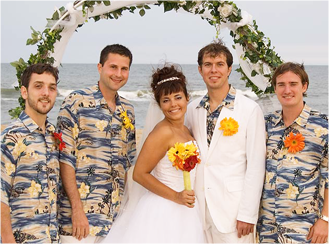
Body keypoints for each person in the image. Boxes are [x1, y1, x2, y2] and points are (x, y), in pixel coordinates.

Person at [101, 64, 205, 244]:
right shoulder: (162, 132)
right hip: (164, 210)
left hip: (186, 211)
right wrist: (176, 196)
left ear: (187, 98)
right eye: (166, 100)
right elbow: (139, 174)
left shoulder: (186, 129)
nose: (173, 104)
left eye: (178, 97)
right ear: (159, 104)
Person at [185, 40, 266, 244]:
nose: (214, 70)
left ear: (229, 69)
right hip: (198, 211)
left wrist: (247, 214)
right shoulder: (192, 109)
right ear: (200, 69)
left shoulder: (249, 109)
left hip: (233, 212)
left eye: (220, 64)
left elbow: (256, 166)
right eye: (208, 65)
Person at [56, 44, 136, 244]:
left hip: (114, 218)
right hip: (79, 220)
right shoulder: (76, 102)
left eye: (124, 69)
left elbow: (128, 164)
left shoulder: (128, 110)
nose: (118, 74)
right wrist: (77, 210)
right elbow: (65, 159)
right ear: (100, 67)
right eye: (113, 67)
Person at [257, 62, 329, 244]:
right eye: (281, 85)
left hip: (303, 227)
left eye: (293, 84)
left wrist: (325, 220)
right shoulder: (264, 124)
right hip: (267, 228)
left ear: (304, 87)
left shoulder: (323, 126)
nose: (287, 90)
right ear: (275, 88)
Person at [0, 63, 60, 243]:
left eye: (52, 88)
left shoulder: (53, 137)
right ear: (24, 92)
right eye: (38, 86)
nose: (46, 93)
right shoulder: (10, 138)